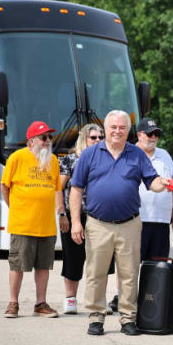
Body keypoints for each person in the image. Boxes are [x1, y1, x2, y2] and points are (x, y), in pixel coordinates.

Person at [70, 110, 171, 336]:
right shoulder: (90, 154)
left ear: (128, 130)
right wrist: (76, 222)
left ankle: (128, 319)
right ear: (106, 129)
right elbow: (76, 189)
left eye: (122, 127)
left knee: (129, 274)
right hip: (97, 224)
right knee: (96, 273)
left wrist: (161, 182)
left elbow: (151, 182)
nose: (117, 131)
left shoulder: (137, 154)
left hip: (129, 224)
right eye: (113, 127)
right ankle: (96, 318)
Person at [1, 121, 63, 319]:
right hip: (23, 223)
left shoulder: (53, 160)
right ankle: (13, 303)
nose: (47, 141)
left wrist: (61, 214)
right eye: (43, 137)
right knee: (17, 265)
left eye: (49, 138)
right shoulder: (17, 157)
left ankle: (40, 304)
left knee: (44, 266)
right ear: (31, 141)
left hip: (46, 225)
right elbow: (5, 187)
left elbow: (56, 190)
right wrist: (16, 208)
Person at [58, 123, 118, 315]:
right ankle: (70, 299)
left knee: (103, 260)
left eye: (101, 137)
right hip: (74, 215)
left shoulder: (106, 158)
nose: (98, 140)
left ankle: (100, 301)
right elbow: (58, 188)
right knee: (73, 257)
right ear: (84, 138)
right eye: (94, 137)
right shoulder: (70, 159)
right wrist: (62, 214)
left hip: (101, 216)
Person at [136, 118, 173, 262]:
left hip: (161, 220)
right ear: (139, 135)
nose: (154, 137)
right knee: (131, 266)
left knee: (158, 267)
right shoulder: (129, 153)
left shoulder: (165, 155)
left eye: (156, 134)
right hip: (136, 220)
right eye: (150, 134)